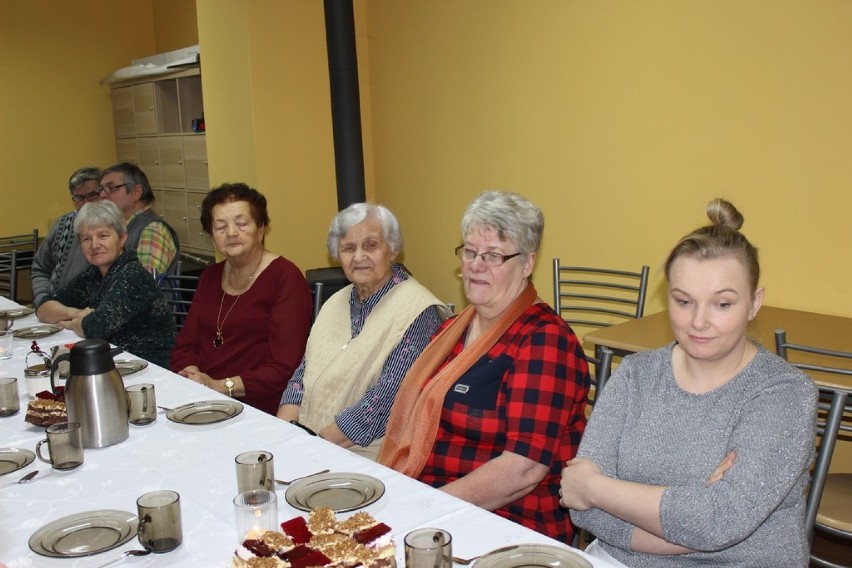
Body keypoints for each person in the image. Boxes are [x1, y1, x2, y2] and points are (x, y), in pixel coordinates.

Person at [561, 198, 817, 567]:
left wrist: (595, 488)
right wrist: (695, 518)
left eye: (722, 304)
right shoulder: (634, 376)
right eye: (684, 301)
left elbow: (718, 522)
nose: (699, 322)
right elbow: (583, 511)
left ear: (754, 303)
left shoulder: (785, 395)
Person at [379, 191, 590, 542]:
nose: (476, 265)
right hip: (437, 501)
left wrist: (424, 510)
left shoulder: (545, 342)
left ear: (526, 264)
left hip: (509, 521)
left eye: (493, 255)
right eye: (470, 251)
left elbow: (522, 470)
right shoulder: (455, 328)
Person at [277, 203, 450, 459]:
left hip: (367, 460)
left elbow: (383, 404)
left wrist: (310, 447)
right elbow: (303, 375)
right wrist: (281, 434)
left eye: (370, 245)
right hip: (313, 445)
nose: (358, 257)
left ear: (392, 250)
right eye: (348, 248)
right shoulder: (335, 302)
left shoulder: (418, 312)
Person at [170, 183, 312, 415]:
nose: (231, 233)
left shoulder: (285, 277)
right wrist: (193, 376)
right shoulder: (210, 276)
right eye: (220, 226)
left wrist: (219, 386)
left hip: (260, 405)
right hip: (205, 398)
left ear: (260, 229)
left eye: (241, 223)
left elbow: (284, 368)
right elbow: (185, 345)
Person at [35, 201, 176, 367]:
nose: (95, 245)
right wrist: (76, 312)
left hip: (149, 367)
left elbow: (94, 328)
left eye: (103, 236)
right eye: (87, 239)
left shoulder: (133, 276)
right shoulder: (92, 275)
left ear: (122, 238)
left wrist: (71, 322)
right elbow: (43, 309)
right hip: (114, 361)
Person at [31, 167, 103, 308]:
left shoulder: (113, 228)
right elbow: (40, 268)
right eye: (79, 198)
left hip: (90, 316)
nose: (86, 203)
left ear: (103, 193)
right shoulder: (63, 224)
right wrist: (42, 300)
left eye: (92, 195)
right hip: (53, 310)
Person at [98, 162, 179, 276]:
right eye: (101, 189)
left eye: (111, 188)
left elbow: (145, 284)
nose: (102, 195)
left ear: (136, 192)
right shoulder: (118, 227)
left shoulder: (152, 229)